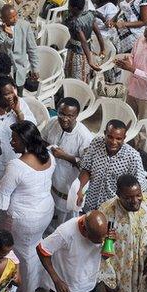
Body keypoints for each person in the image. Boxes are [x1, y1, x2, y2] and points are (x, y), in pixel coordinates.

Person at [0, 120, 54, 292]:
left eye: (15, 139)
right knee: (36, 247)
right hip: (45, 211)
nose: (11, 142)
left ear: (26, 141)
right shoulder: (48, 156)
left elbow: (1, 198)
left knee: (20, 253)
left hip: (25, 219)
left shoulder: (16, 166)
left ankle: (24, 288)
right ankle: (38, 282)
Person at [45, 97, 93, 232]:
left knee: (67, 222)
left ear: (76, 116)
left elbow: (87, 167)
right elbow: (42, 140)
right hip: (53, 179)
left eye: (70, 116)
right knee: (51, 212)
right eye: (61, 114)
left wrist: (65, 156)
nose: (64, 119)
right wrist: (50, 147)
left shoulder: (84, 136)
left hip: (70, 185)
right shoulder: (53, 123)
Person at [77, 120, 146, 213]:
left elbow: (139, 186)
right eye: (110, 137)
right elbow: (86, 168)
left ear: (124, 138)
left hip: (113, 208)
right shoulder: (96, 143)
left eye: (118, 138)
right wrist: (79, 189)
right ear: (105, 133)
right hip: (90, 201)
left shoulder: (132, 157)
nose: (113, 142)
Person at [0, 4, 39, 90]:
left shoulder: (25, 26)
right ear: (3, 19)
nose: (15, 19)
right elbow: (2, 51)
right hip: (3, 71)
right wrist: (10, 37)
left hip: (20, 69)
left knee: (19, 95)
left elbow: (32, 48)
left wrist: (35, 68)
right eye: (11, 17)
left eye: (16, 15)